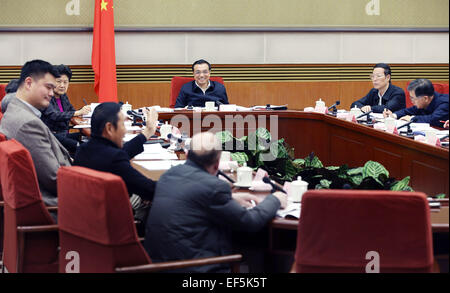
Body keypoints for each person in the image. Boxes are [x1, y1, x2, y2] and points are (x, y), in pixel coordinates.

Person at [144, 132, 287, 273]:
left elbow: (195, 198)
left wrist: (230, 197)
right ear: (217, 163)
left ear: (187, 155)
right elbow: (250, 221)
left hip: (158, 265)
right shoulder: (214, 188)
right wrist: (275, 199)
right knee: (254, 245)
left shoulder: (167, 176)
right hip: (195, 268)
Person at [73, 102, 159, 226]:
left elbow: (117, 153)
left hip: (87, 225)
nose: (124, 131)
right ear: (109, 128)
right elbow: (150, 189)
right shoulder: (115, 159)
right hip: (114, 229)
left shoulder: (83, 150)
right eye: (123, 124)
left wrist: (146, 133)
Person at [0, 60, 72, 206]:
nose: (52, 93)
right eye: (48, 87)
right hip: (56, 205)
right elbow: (54, 180)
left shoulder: (15, 110)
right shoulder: (28, 124)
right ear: (28, 83)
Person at [40, 65, 91, 154]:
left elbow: (71, 110)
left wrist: (83, 110)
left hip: (64, 134)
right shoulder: (46, 96)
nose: (62, 86)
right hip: (52, 136)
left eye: (65, 82)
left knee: (92, 139)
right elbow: (53, 115)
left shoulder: (63, 96)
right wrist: (77, 112)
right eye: (58, 82)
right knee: (82, 147)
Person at [383, 79, 449, 127]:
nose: (411, 101)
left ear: (425, 98)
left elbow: (433, 119)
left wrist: (411, 118)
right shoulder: (425, 101)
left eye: (413, 98)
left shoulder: (445, 103)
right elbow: (408, 111)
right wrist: (393, 115)